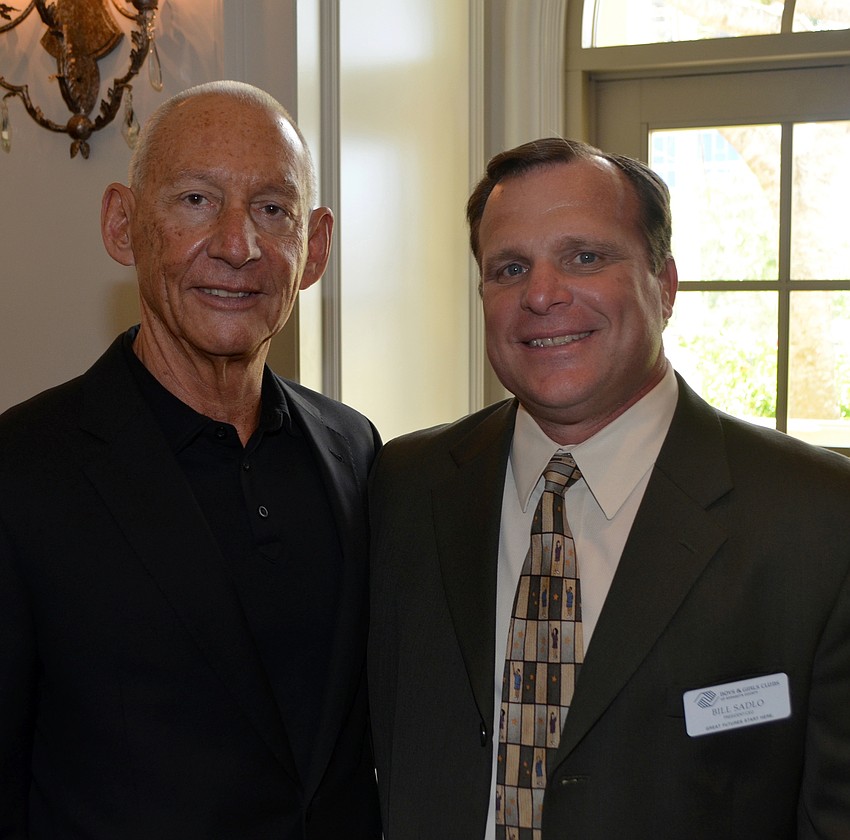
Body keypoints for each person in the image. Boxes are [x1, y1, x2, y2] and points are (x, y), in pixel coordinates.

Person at [367, 137, 850, 838]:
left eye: (585, 257)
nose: (540, 294)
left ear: (666, 284)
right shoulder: (403, 487)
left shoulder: (818, 518)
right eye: (509, 268)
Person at [0, 81, 382, 839]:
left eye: (273, 210)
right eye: (197, 201)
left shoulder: (356, 451)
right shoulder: (21, 473)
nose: (238, 245)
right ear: (123, 224)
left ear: (316, 249)